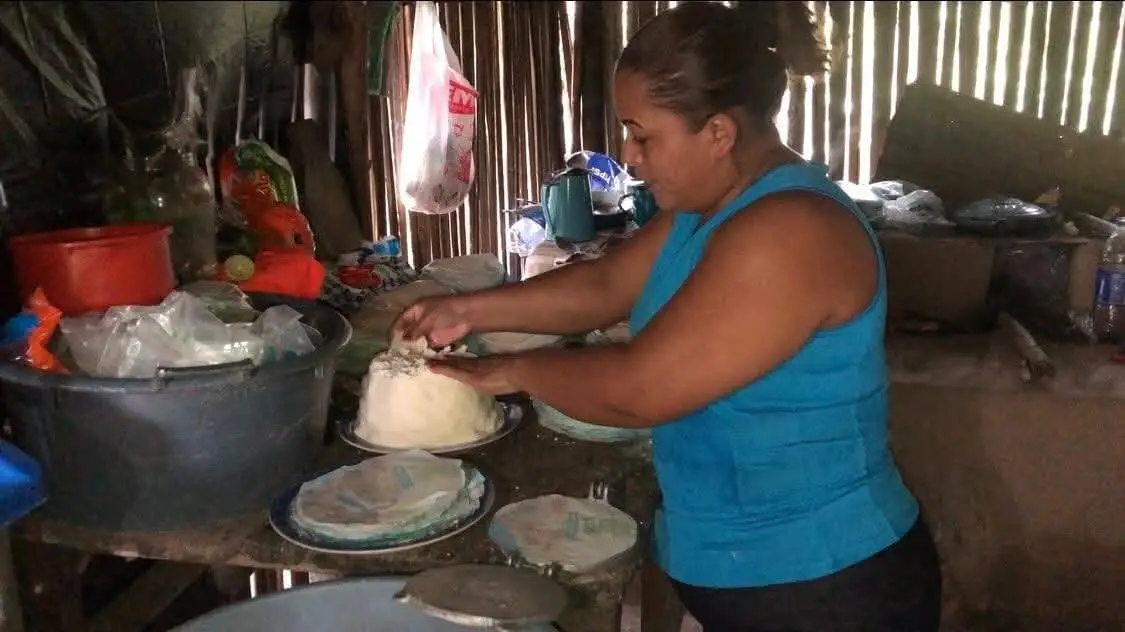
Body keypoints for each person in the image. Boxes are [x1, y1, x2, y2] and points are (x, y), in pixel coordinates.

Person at [392, 2, 942, 630]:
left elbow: (639, 391)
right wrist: (465, 308)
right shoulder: (707, 207)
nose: (628, 153)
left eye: (643, 135)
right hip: (754, 573)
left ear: (718, 133)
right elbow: (605, 285)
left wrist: (512, 371)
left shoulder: (791, 232)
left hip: (828, 583)